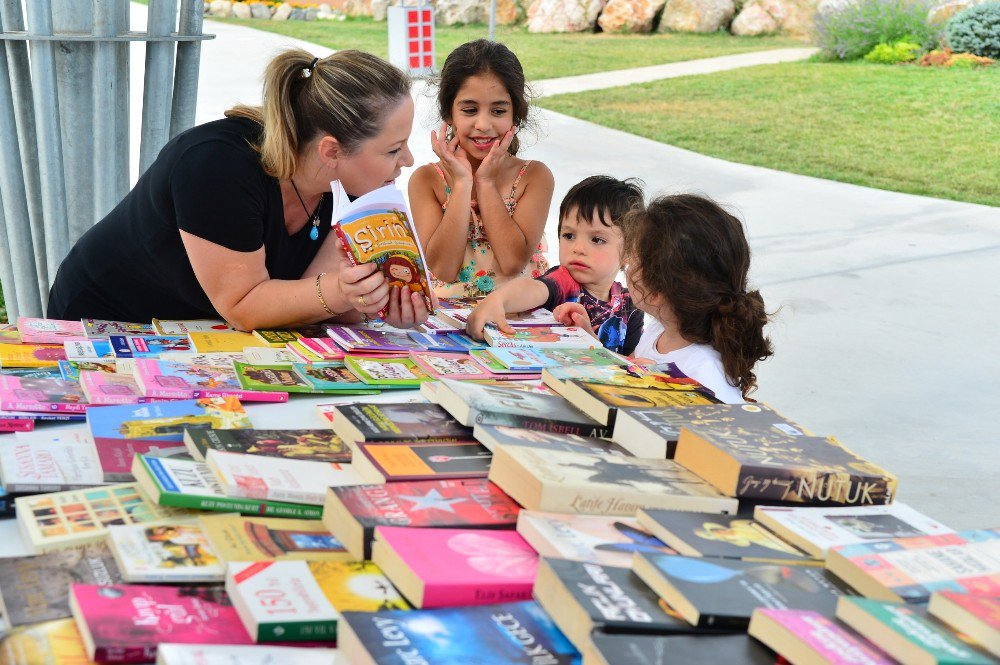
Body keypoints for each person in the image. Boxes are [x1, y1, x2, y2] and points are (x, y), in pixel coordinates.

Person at [47, 49, 431, 331]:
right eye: (394, 149)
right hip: (108, 322)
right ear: (331, 151)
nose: (409, 160)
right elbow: (245, 306)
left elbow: (301, 298)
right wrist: (341, 292)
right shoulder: (215, 165)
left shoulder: (354, 182)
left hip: (202, 333)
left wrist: (372, 302)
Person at [408, 39, 553, 299]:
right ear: (449, 114)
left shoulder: (534, 177)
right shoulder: (426, 180)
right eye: (470, 110)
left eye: (498, 111)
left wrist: (485, 183)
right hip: (446, 317)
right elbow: (442, 269)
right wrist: (463, 184)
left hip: (516, 315)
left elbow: (512, 263)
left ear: (515, 116)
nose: (483, 124)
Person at [465, 175, 645, 356]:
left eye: (597, 239)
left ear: (630, 251)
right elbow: (532, 288)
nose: (578, 248)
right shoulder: (563, 281)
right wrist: (499, 300)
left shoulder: (631, 307)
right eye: (569, 236)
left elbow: (629, 363)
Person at [621, 194, 773, 403]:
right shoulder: (660, 331)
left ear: (656, 292)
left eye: (633, 260)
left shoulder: (703, 373)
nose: (626, 264)